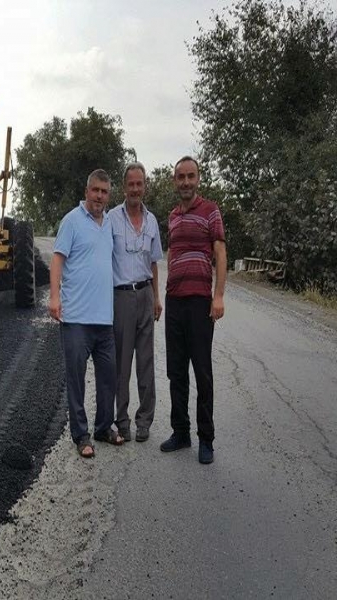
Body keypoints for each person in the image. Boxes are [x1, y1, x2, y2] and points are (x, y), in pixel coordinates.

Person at [49, 169, 124, 458]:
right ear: (86, 191)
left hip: (104, 320)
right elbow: (57, 260)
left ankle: (104, 427)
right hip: (76, 319)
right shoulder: (72, 221)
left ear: (108, 195)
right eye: (95, 190)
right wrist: (54, 297)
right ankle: (81, 435)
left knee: (108, 379)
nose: (99, 196)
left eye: (104, 192)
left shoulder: (109, 224)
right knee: (76, 380)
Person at [161, 156, 227, 464]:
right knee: (176, 371)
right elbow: (172, 251)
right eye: (181, 177)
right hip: (174, 301)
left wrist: (219, 296)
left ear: (198, 179)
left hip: (200, 301)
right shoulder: (173, 215)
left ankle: (206, 439)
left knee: (202, 372)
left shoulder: (210, 210)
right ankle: (181, 432)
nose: (186, 181)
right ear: (175, 181)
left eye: (191, 176)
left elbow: (220, 252)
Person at [111, 162, 163, 443]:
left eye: (139, 184)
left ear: (145, 186)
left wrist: (156, 297)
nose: (135, 189)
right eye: (130, 184)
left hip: (145, 294)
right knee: (122, 363)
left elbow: (153, 263)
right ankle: (122, 421)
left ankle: (145, 421)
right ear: (124, 187)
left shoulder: (152, 221)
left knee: (146, 361)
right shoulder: (111, 219)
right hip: (121, 297)